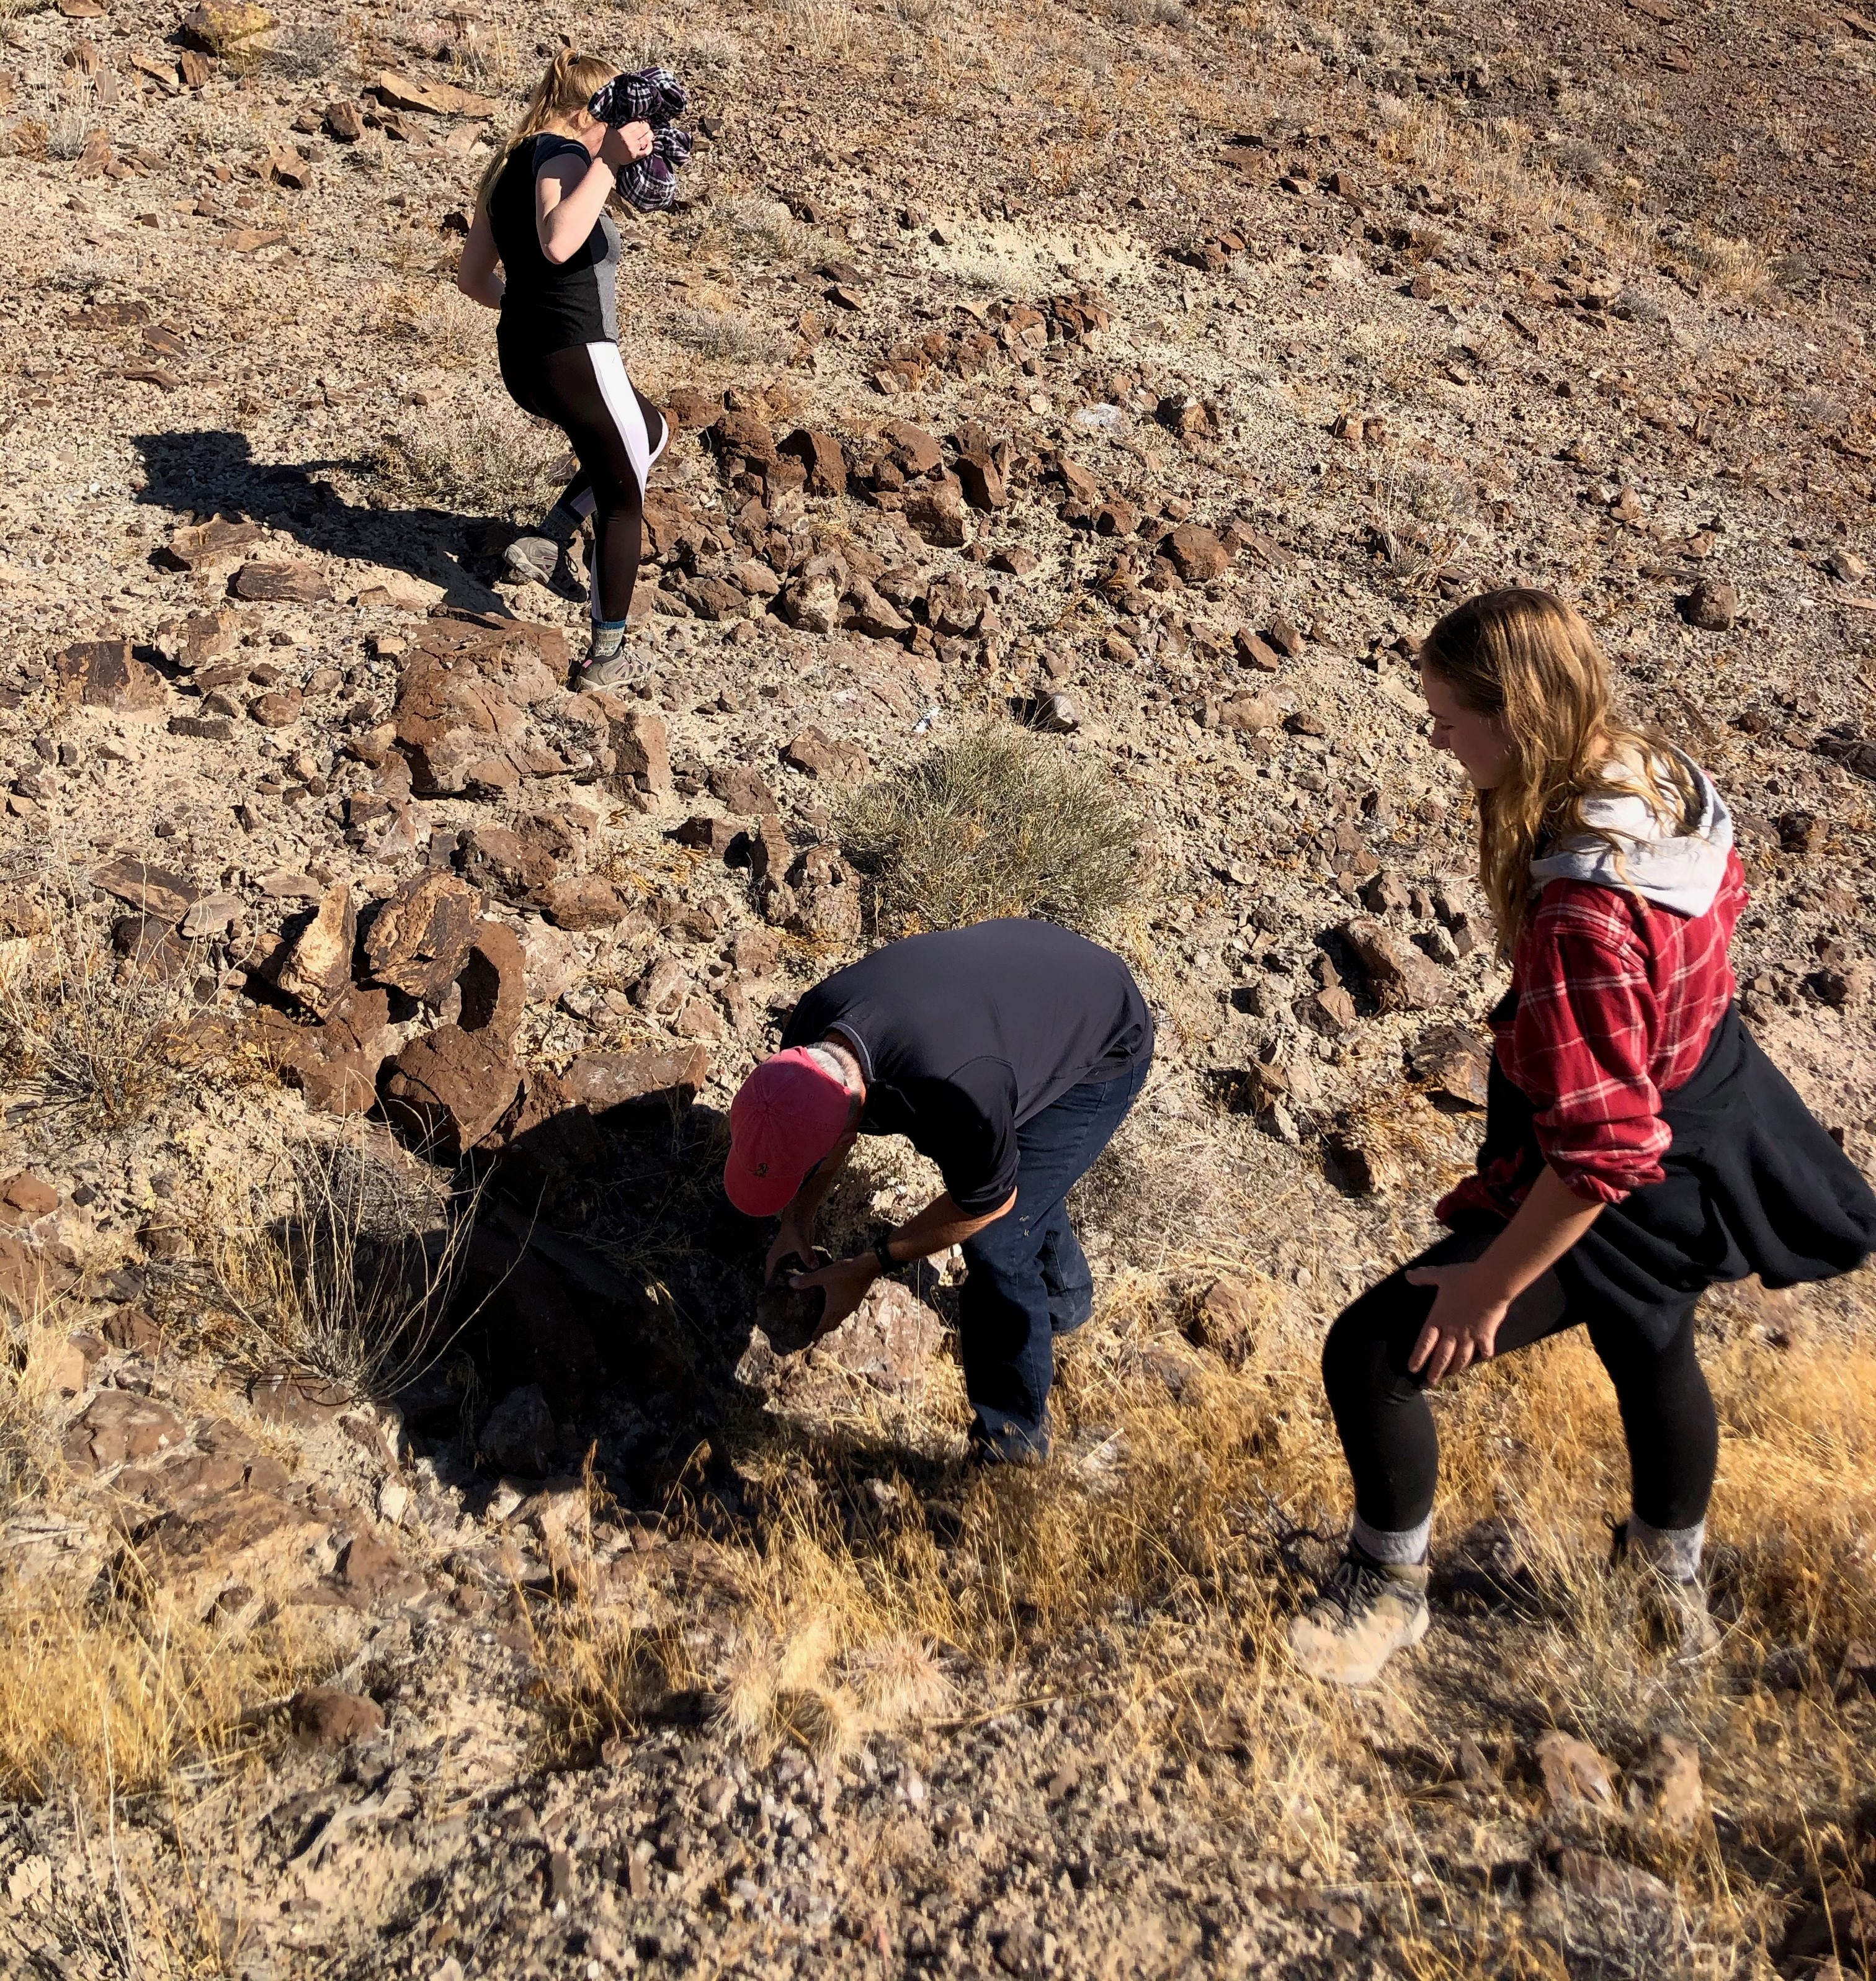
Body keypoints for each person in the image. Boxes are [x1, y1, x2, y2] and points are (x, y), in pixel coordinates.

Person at [1288, 588, 1876, 1686]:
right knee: (1647, 1340)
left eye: (1449, 722)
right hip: (1709, 1108)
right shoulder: (1648, 776)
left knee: (1375, 1352)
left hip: (1631, 1166)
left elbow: (1597, 1157)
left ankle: (1386, 1587)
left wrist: (1489, 1284)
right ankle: (1664, 1580)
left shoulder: (1582, 921)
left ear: (1514, 717)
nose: (1435, 740)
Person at [723, 919, 1156, 1462]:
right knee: (1016, 1174)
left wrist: (870, 1265)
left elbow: (987, 1202)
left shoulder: (949, 1088)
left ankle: (1014, 1441)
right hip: (1026, 990)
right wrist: (798, 1217)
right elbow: (831, 1125)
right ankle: (1067, 1298)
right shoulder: (809, 1036)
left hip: (1107, 1036)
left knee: (1000, 1236)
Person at [456, 53, 666, 690]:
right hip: (580, 357)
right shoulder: (567, 153)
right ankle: (607, 660)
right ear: (586, 113)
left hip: (526, 361)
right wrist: (606, 163)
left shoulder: (508, 167)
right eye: (614, 115)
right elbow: (558, 242)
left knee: (650, 431)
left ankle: (549, 538)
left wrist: (527, 315)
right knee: (624, 501)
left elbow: (471, 280)